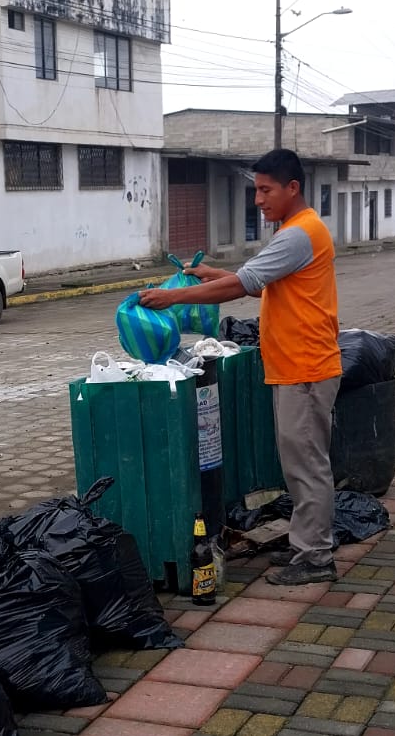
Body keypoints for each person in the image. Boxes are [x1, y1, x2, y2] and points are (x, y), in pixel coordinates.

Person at [140, 148, 342, 586]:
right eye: (256, 190)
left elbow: (244, 284)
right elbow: (262, 287)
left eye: (266, 190)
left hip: (306, 368)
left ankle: (316, 557)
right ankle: (305, 544)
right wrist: (213, 274)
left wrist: (172, 297)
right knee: (299, 464)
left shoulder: (299, 233)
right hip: (296, 367)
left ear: (293, 188)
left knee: (307, 466)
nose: (258, 200)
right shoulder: (297, 232)